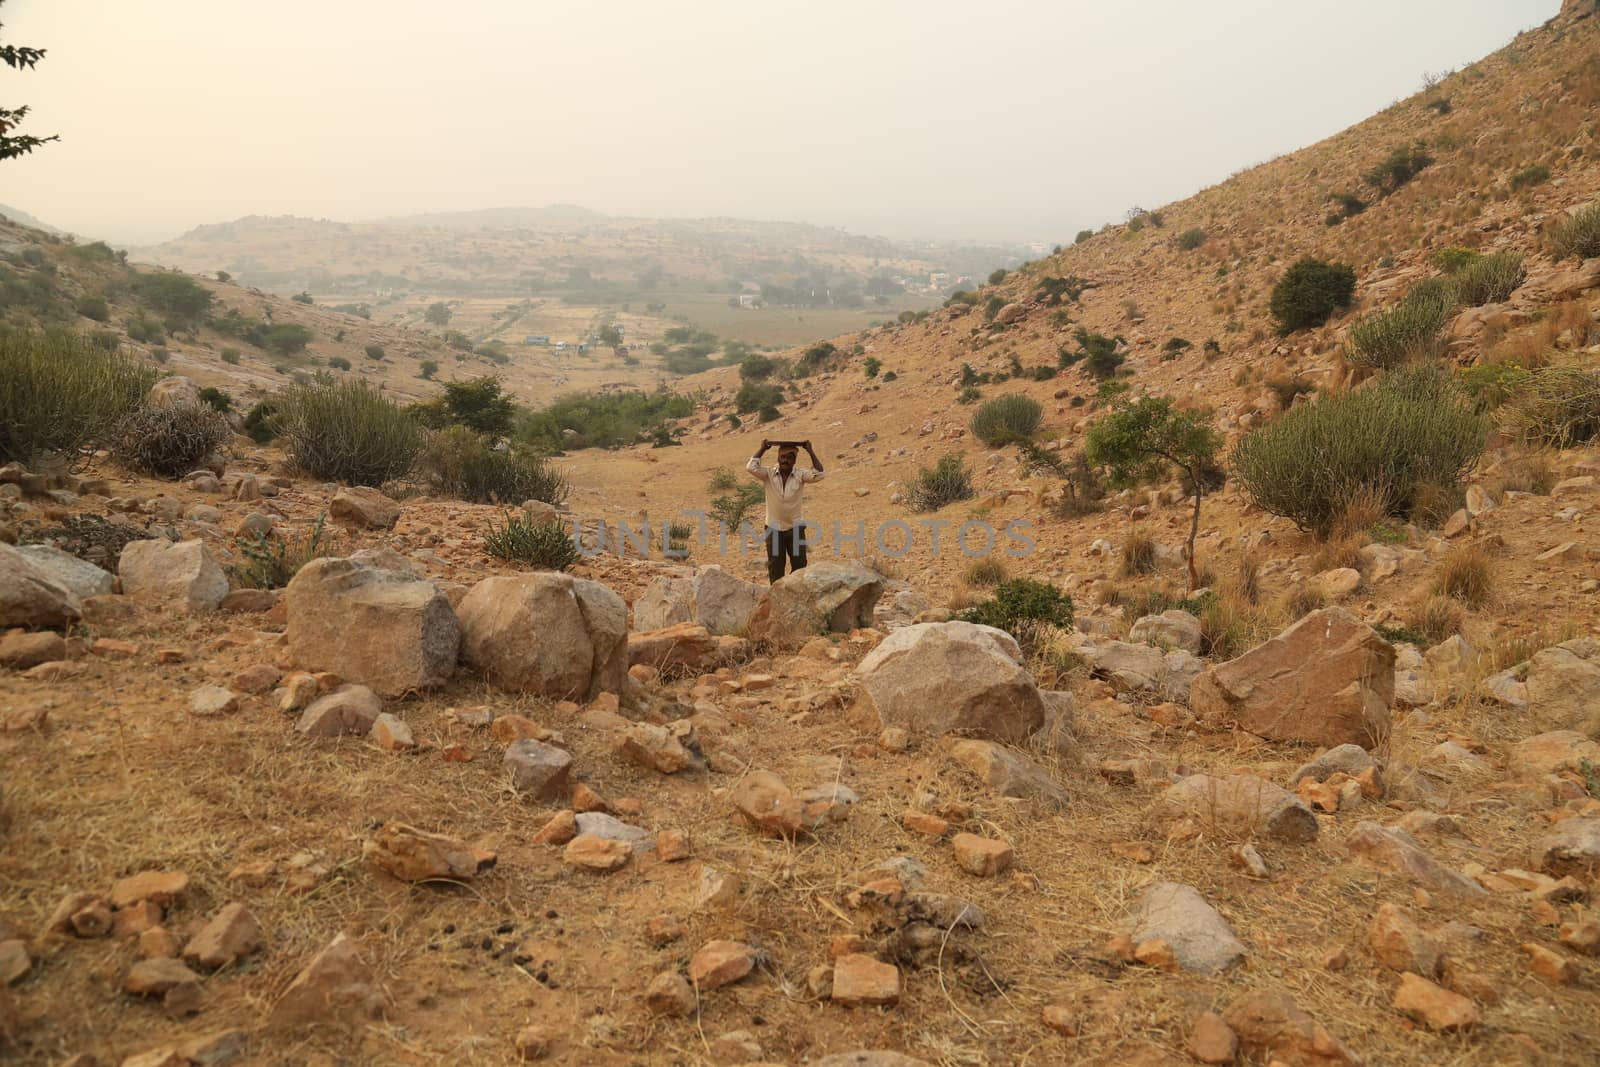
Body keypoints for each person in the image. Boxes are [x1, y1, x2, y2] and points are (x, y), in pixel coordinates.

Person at [745, 437, 825, 582]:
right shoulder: (768, 474)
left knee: (800, 566)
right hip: (773, 529)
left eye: (790, 457)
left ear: (795, 460)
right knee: (775, 567)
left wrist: (810, 451)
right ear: (778, 457)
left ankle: (797, 597)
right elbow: (751, 467)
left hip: (795, 528)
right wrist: (763, 448)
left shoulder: (800, 475)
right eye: (783, 457)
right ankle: (777, 600)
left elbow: (819, 474)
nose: (785, 460)